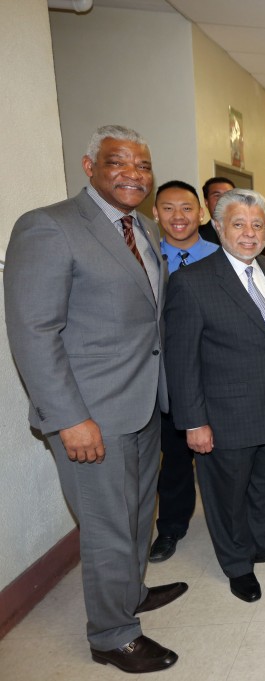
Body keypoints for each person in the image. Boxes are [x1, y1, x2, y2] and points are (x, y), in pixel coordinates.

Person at [5, 125, 182, 673]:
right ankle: (111, 634)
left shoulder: (147, 229)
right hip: (91, 414)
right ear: (89, 167)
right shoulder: (49, 227)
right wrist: (69, 419)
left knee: (135, 515)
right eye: (117, 163)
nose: (133, 174)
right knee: (106, 527)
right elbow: (34, 332)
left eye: (142, 165)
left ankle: (126, 594)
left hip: (143, 402)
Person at [165, 189, 265, 604]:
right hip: (224, 416)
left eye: (258, 225)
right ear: (217, 227)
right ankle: (237, 564)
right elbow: (181, 361)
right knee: (226, 497)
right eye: (239, 224)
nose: (250, 234)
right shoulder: (191, 282)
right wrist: (194, 422)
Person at [149, 180, 220, 563]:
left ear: (202, 212)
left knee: (222, 460)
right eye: (169, 208)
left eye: (187, 208)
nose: (179, 217)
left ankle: (231, 526)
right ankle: (172, 528)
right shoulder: (143, 256)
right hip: (166, 377)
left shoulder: (221, 254)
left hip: (216, 375)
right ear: (156, 213)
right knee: (175, 460)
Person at [197, 176, 235, 245]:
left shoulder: (250, 232)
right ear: (206, 202)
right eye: (217, 195)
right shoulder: (195, 236)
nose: (223, 200)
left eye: (228, 195)